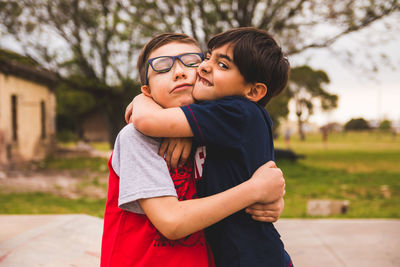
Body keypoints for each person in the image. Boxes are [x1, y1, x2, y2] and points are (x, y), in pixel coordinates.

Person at [101, 33, 286, 267]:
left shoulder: (212, 130)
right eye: (161, 67)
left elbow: (258, 177)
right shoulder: (136, 137)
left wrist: (273, 198)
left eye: (191, 61)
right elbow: (172, 222)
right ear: (147, 90)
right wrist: (140, 101)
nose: (179, 72)